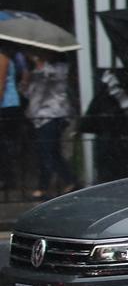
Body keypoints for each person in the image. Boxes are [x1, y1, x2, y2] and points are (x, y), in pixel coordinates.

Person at [20, 49, 78, 199]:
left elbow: (52, 84)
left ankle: (44, 187)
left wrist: (40, 65)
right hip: (38, 117)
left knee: (47, 151)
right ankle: (70, 181)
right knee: (51, 151)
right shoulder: (36, 72)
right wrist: (26, 81)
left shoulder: (58, 69)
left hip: (53, 115)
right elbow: (29, 93)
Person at [0, 46, 25, 192]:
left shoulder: (2, 57)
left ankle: (8, 178)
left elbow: (1, 84)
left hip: (6, 105)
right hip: (7, 105)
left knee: (5, 145)